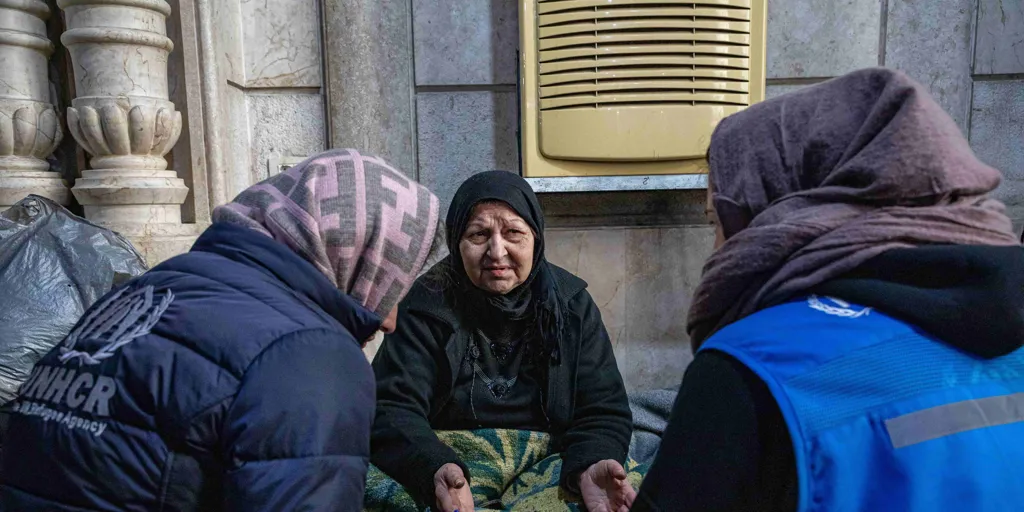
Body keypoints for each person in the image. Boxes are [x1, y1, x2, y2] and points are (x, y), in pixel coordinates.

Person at [632, 67, 1024, 512]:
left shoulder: (754, 366)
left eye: (717, 223)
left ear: (776, 215)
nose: (715, 251)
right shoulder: (1006, 331)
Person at [0, 149, 447, 510]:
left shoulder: (156, 284)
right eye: (392, 285)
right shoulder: (311, 352)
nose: (389, 319)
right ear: (358, 253)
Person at [371, 171, 635, 512]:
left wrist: (592, 462)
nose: (497, 252)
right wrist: (434, 467)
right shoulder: (426, 304)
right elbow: (391, 408)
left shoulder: (571, 306)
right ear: (456, 241)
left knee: (630, 491)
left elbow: (603, 408)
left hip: (549, 460)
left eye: (513, 233)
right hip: (450, 460)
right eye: (478, 234)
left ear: (535, 238)